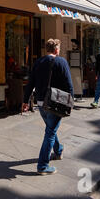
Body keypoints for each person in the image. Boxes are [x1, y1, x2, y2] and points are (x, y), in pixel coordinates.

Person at [22, 39, 74, 175]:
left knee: (51, 129)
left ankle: (58, 150)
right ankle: (43, 166)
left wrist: (25, 100)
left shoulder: (38, 62)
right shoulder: (61, 62)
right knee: (50, 133)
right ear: (56, 49)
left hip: (40, 102)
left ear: (47, 49)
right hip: (55, 103)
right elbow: (69, 84)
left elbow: (30, 82)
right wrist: (71, 101)